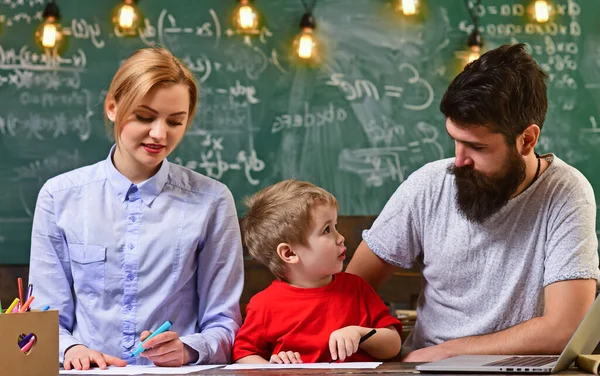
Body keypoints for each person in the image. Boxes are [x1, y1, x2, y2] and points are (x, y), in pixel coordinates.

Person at [347, 43, 600, 362]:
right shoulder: (429, 184)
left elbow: (565, 328)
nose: (459, 160)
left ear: (527, 140)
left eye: (476, 147)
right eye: (454, 139)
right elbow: (349, 290)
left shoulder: (567, 191)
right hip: (424, 369)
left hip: (501, 365)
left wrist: (446, 352)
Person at [28, 47, 244, 370]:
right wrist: (70, 349)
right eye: (144, 117)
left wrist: (187, 348)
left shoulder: (212, 201)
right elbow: (43, 321)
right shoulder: (59, 198)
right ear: (113, 107)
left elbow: (225, 325)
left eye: (175, 122)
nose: (160, 134)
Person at [233, 179, 402, 364]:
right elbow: (243, 355)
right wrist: (271, 367)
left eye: (335, 226)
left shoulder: (357, 288)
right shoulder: (263, 306)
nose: (341, 238)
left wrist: (360, 333)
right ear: (289, 253)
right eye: (327, 230)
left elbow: (393, 345)